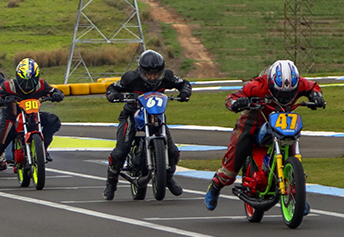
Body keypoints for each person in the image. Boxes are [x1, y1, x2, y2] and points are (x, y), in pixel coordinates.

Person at [205, 59, 325, 211]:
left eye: (289, 93)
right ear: (271, 83)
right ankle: (217, 183)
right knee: (237, 153)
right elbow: (231, 98)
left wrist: (317, 96)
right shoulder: (257, 86)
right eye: (280, 93)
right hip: (256, 119)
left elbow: (313, 87)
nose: (284, 97)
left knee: (292, 140)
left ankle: (297, 193)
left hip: (284, 119)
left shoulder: (300, 83)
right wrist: (237, 103)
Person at [103, 50, 191, 200]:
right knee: (121, 150)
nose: (152, 77)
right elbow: (112, 88)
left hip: (156, 116)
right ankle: (111, 183)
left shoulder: (167, 77)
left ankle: (167, 178)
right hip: (132, 115)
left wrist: (184, 92)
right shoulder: (131, 78)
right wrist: (114, 95)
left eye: (156, 73)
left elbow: (184, 83)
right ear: (141, 71)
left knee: (173, 152)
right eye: (149, 73)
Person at [0, 57, 64, 185]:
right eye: (24, 81)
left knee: (53, 120)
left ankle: (42, 149)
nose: (28, 86)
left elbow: (56, 91)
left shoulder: (41, 84)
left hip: (33, 115)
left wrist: (57, 95)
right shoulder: (9, 85)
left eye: (31, 81)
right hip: (12, 118)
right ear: (18, 77)